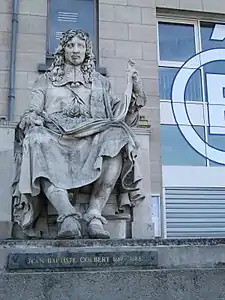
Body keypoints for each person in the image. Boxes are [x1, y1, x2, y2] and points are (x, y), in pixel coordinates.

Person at [12, 29, 146, 239]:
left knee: (118, 137)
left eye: (80, 46)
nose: (76, 50)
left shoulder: (100, 83)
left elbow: (121, 116)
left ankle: (94, 213)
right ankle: (67, 216)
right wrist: (30, 117)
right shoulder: (46, 80)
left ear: (87, 51)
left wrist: (136, 89)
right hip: (55, 134)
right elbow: (33, 109)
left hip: (93, 134)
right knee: (36, 139)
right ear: (63, 50)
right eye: (71, 45)